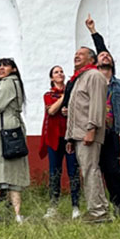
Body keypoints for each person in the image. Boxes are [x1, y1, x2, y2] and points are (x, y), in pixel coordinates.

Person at [86, 15, 120, 217]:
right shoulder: (92, 80)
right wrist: (93, 31)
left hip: (112, 132)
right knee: (94, 170)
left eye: (107, 56)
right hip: (94, 131)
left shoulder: (119, 84)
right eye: (101, 55)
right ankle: (98, 210)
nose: (105, 56)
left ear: (112, 62)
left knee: (113, 170)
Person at [65, 46, 110, 223]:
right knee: (88, 170)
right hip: (78, 134)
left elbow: (97, 106)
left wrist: (91, 129)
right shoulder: (80, 78)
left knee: (90, 170)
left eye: (81, 54)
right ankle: (100, 209)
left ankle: (98, 212)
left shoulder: (94, 76)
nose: (76, 56)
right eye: (75, 54)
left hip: (88, 132)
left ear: (91, 59)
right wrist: (69, 136)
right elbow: (75, 110)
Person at [0, 58, 30, 225]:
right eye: (0, 65)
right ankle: (17, 215)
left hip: (4, 129)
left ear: (14, 69)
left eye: (5, 66)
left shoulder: (8, 83)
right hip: (12, 127)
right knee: (13, 171)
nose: (1, 68)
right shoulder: (7, 83)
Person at [40, 65, 80, 219]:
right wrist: (65, 97)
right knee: (54, 173)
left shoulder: (74, 93)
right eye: (56, 72)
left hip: (70, 136)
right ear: (52, 78)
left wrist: (69, 110)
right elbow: (51, 110)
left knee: (73, 171)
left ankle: (75, 206)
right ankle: (53, 206)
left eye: (61, 71)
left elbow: (77, 109)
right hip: (54, 138)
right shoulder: (48, 94)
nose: (60, 74)